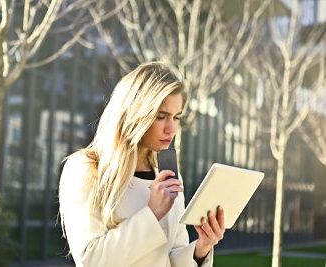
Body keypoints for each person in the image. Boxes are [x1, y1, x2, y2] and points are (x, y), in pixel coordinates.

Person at [59, 62, 225, 267]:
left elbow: (170, 257)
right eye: (161, 116)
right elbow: (91, 259)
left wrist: (200, 250)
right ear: (135, 115)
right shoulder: (85, 169)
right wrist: (152, 213)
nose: (171, 128)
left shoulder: (169, 176)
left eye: (176, 117)